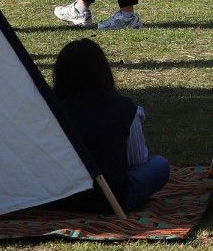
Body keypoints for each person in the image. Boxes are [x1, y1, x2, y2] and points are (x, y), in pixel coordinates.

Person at [51, 38, 171, 212]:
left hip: (58, 197)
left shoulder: (50, 111)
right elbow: (137, 160)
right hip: (110, 200)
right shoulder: (125, 109)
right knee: (159, 164)